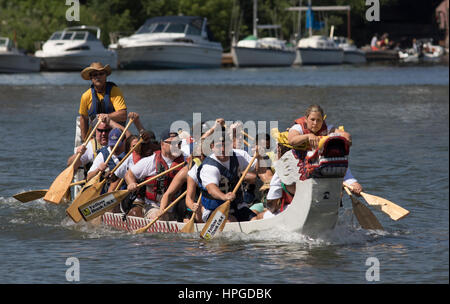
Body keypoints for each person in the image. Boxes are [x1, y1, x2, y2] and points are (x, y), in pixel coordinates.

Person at [197, 128, 257, 223]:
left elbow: (258, 168)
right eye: (219, 146)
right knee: (231, 221)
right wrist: (224, 196)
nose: (223, 149)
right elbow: (211, 189)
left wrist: (261, 157)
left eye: (226, 146)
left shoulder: (240, 156)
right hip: (214, 209)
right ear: (212, 147)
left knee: (255, 220)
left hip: (238, 206)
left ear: (231, 145)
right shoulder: (209, 166)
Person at [125, 129, 186, 219]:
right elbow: (129, 174)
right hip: (154, 206)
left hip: (178, 207)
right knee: (160, 217)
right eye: (171, 143)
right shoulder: (151, 161)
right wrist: (131, 183)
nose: (176, 145)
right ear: (162, 144)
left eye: (178, 143)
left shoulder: (186, 160)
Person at [79, 62, 127, 141]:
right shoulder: (86, 96)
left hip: (115, 137)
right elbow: (83, 118)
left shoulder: (115, 91)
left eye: (101, 74)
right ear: (91, 78)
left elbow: (123, 115)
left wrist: (106, 117)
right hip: (96, 137)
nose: (98, 77)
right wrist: (85, 140)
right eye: (95, 75)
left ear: (106, 76)